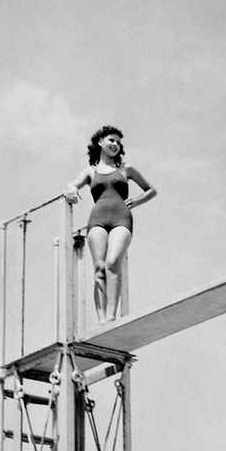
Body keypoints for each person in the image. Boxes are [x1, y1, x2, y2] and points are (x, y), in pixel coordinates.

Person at [65, 126, 157, 324]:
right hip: (97, 219)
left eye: (118, 142)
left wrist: (137, 201)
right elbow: (73, 184)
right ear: (100, 142)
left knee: (113, 262)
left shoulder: (126, 168)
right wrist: (71, 189)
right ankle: (102, 322)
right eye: (111, 140)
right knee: (99, 268)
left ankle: (111, 317)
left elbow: (151, 190)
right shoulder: (91, 171)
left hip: (121, 219)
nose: (115, 144)